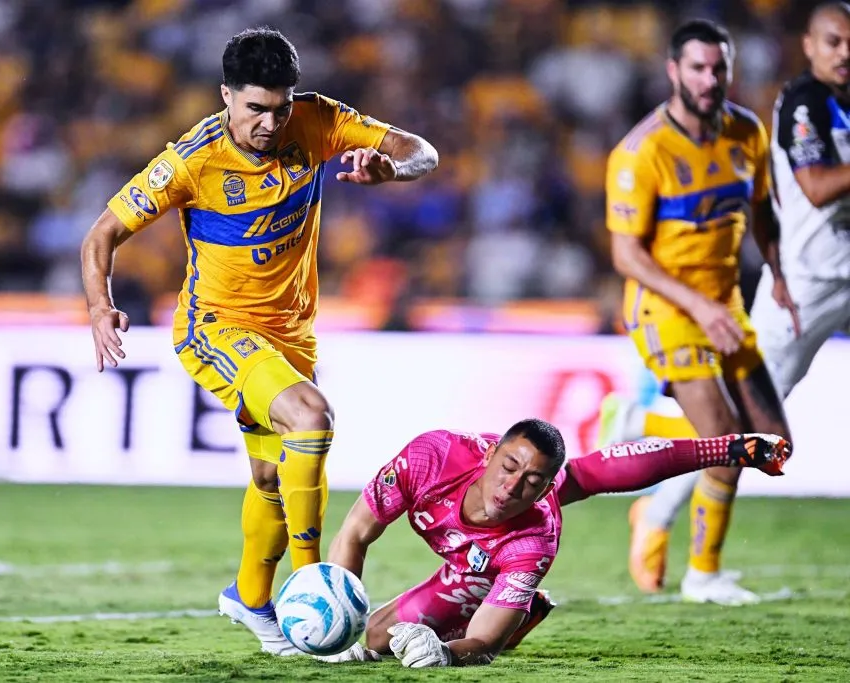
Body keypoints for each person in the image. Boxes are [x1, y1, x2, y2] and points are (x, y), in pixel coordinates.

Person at [79, 28, 439, 654]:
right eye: (254, 109)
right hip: (215, 328)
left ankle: (250, 599)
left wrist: (394, 170)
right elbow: (101, 234)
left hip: (291, 333)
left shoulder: (319, 120)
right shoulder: (192, 160)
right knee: (311, 417)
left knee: (273, 475)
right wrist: (99, 307)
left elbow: (421, 150)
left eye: (280, 108)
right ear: (225, 97)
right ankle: (313, 585)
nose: (271, 124)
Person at [598, 4, 850, 598]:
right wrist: (703, 306)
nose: (710, 81)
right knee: (726, 437)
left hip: (724, 304)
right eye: (698, 69)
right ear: (673, 71)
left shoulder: (746, 133)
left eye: (719, 70)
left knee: (772, 447)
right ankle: (703, 574)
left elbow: (762, 208)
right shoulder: (641, 153)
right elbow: (628, 257)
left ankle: (637, 422)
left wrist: (780, 273)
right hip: (667, 308)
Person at [318, 419, 790, 667]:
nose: (510, 488)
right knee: (373, 636)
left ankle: (520, 607)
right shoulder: (432, 456)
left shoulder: (535, 537)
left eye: (532, 481)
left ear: (548, 489)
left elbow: (481, 645)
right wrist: (337, 610)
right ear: (488, 453)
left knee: (392, 641)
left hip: (487, 563)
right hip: (475, 535)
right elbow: (355, 533)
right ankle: (731, 445)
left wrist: (446, 653)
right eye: (507, 468)